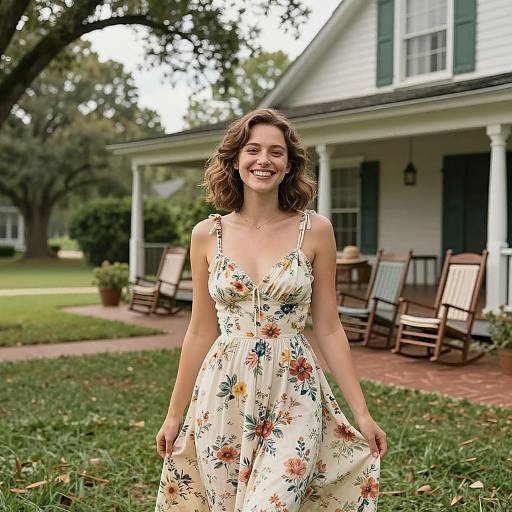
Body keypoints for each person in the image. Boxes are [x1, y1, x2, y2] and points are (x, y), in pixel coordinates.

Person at [155, 108, 386, 512]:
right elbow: (199, 331)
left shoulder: (315, 230)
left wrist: (362, 414)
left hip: (294, 391)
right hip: (223, 395)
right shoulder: (207, 235)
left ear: (289, 164)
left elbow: (329, 328)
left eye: (276, 152)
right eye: (253, 150)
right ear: (236, 159)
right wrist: (174, 416)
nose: (264, 160)